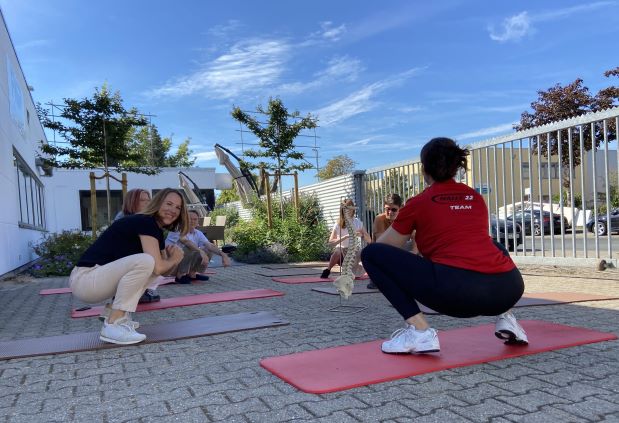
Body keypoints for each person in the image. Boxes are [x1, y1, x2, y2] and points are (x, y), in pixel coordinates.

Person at [361, 137, 527, 355]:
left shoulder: (418, 202)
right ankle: (507, 319)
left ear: (424, 169)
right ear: (456, 166)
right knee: (493, 245)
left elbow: (385, 248)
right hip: (509, 290)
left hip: (458, 295)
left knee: (371, 254)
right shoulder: (475, 197)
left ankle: (420, 332)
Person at [69, 188, 187, 345]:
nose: (173, 210)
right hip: (85, 279)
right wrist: (174, 259)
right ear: (157, 203)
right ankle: (113, 325)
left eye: (178, 207)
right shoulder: (145, 221)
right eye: (169, 204)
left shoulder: (154, 229)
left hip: (94, 280)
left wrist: (173, 260)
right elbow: (159, 267)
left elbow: (162, 272)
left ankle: (115, 314)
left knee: (149, 265)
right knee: (146, 261)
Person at [165, 210, 231, 283]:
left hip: (180, 261)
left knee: (207, 249)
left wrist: (223, 255)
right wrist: (201, 251)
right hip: (170, 265)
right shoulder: (177, 230)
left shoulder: (197, 233)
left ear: (198, 221)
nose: (192, 221)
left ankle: (192, 274)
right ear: (184, 220)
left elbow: (209, 245)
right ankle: (180, 276)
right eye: (190, 219)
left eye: (195, 219)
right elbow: (186, 242)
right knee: (190, 248)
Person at [320, 199, 371, 279]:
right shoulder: (338, 224)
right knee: (337, 251)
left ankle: (371, 272)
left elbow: (369, 240)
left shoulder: (357, 222)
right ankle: (328, 270)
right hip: (342, 252)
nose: (348, 211)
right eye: (345, 209)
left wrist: (362, 235)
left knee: (366, 253)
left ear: (353, 209)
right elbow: (330, 242)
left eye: (349, 208)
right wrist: (346, 236)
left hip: (354, 251)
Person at [366, 193, 404, 289]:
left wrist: (414, 252)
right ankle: (376, 277)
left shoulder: (403, 219)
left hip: (396, 250)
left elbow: (415, 237)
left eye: (394, 209)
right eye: (387, 209)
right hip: (382, 251)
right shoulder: (379, 219)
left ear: (400, 209)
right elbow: (381, 242)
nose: (390, 212)